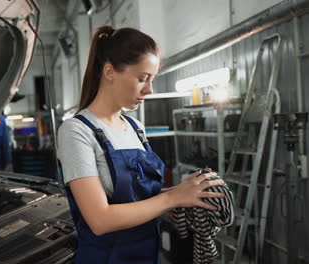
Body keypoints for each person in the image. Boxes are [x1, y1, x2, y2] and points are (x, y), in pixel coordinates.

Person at [57, 25, 226, 264]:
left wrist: (184, 192)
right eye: (142, 79)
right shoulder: (76, 131)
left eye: (152, 79)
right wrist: (172, 199)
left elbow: (138, 200)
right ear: (109, 71)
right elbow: (100, 219)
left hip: (148, 256)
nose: (150, 89)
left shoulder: (136, 127)